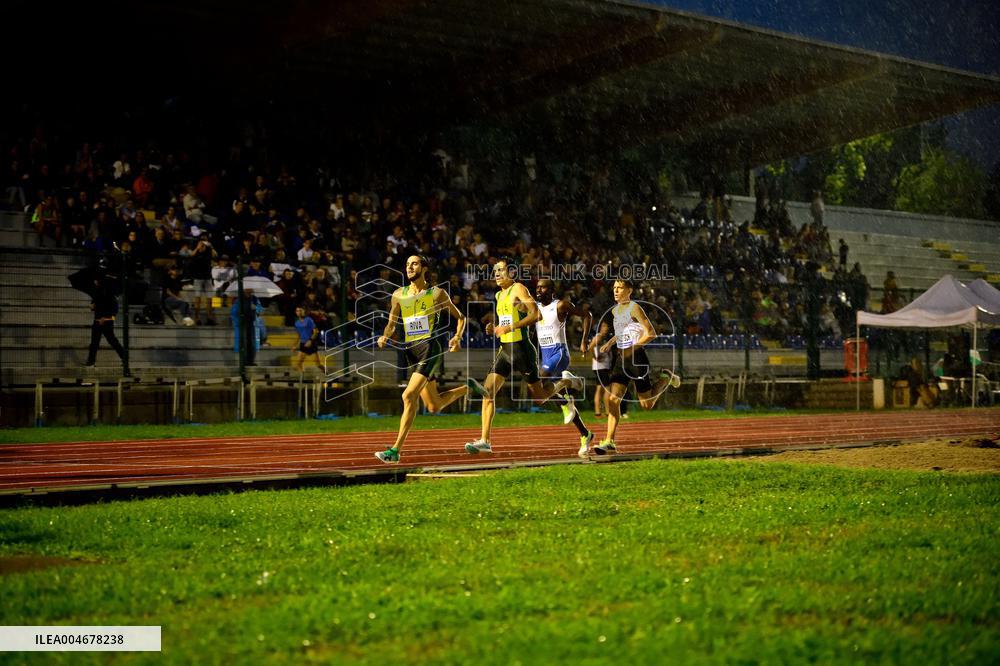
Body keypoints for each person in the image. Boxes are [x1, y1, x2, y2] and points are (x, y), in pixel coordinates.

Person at [463, 259, 584, 455]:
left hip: (521, 350)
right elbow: (507, 319)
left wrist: (508, 327)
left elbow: (536, 314)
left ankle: (564, 382)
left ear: (511, 272)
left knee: (540, 399)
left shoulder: (518, 288)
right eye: (495, 271)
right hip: (505, 350)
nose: (497, 274)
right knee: (487, 392)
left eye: (501, 270)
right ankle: (485, 440)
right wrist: (493, 327)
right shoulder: (498, 294)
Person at [374, 255, 468, 464]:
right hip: (411, 351)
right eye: (407, 264)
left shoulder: (437, 294)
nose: (409, 267)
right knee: (434, 406)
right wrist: (385, 335)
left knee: (408, 395)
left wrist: (457, 337)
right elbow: (391, 322)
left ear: (425, 268)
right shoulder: (398, 295)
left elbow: (460, 317)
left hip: (430, 348)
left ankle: (395, 450)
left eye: (414, 264)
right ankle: (468, 388)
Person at [594, 279, 680, 455]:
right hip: (620, 360)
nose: (616, 291)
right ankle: (609, 440)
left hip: (637, 359)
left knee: (646, 405)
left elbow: (651, 333)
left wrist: (632, 348)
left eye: (620, 288)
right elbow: (621, 332)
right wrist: (610, 343)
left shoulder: (635, 308)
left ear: (629, 290)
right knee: (612, 399)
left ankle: (665, 378)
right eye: (614, 288)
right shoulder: (614, 311)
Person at [534, 278, 594, 457]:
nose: (539, 290)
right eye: (537, 287)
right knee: (542, 392)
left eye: (543, 287)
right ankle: (585, 433)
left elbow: (587, 315)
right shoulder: (535, 308)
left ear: (551, 290)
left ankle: (567, 384)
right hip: (545, 354)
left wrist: (584, 340)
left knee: (541, 377)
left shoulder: (560, 305)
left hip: (559, 353)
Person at [83, 276, 127, 372]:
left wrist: (105, 318)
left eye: (96, 280)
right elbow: (94, 306)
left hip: (106, 322)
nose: (95, 282)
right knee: (94, 343)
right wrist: (92, 307)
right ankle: (91, 362)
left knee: (112, 341)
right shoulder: (96, 294)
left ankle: (125, 358)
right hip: (97, 321)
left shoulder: (109, 294)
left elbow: (114, 310)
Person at [291, 306, 319, 372]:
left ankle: (326, 373)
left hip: (311, 344)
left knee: (318, 365)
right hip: (303, 344)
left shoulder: (309, 320)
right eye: (297, 311)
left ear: (303, 311)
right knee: (298, 364)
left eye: (300, 310)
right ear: (296, 313)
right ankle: (303, 378)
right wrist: (294, 345)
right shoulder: (296, 323)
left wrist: (310, 340)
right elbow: (299, 334)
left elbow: (316, 331)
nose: (299, 312)